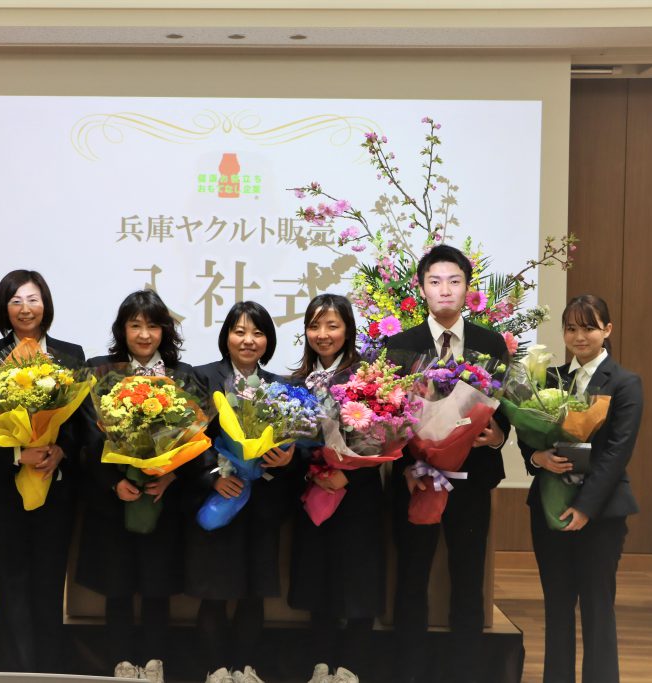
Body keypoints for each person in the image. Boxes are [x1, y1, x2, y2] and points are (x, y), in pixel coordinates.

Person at [384, 244, 510, 683]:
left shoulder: (490, 344)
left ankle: (465, 672)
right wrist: (406, 464)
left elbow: (505, 408)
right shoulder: (400, 345)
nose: (444, 290)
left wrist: (498, 436)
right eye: (435, 281)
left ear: (467, 288)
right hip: (417, 480)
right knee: (412, 576)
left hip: (471, 480)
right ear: (421, 288)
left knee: (468, 577)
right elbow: (389, 413)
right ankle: (409, 672)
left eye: (454, 281)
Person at [0, 270, 86, 672]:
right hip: (3, 488)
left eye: (33, 299)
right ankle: (15, 670)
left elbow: (80, 424)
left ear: (45, 305)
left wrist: (60, 450)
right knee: (8, 582)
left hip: (55, 487)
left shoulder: (70, 355)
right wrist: (19, 454)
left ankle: (48, 670)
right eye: (15, 301)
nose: (25, 308)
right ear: (4, 308)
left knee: (49, 582)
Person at [519, 295, 642, 683]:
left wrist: (586, 506)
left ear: (607, 330)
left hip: (600, 514)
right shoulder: (549, 379)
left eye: (589, 327)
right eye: (571, 328)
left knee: (597, 607)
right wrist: (537, 457)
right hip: (549, 508)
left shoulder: (625, 383)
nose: (579, 336)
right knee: (556, 606)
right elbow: (526, 435)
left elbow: (617, 453)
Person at [75, 289, 194, 682]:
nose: (144, 334)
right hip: (114, 500)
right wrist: (114, 483)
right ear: (122, 330)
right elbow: (88, 439)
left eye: (153, 326)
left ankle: (156, 661)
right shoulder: (100, 372)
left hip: (162, 498)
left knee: (157, 586)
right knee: (118, 585)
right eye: (135, 325)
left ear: (165, 331)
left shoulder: (183, 376)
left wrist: (171, 475)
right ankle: (121, 661)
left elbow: (198, 442)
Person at [185, 301, 296, 676]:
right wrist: (215, 474)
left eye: (258, 333)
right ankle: (216, 670)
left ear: (268, 340)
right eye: (240, 331)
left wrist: (286, 458)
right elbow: (187, 439)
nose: (249, 340)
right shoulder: (202, 378)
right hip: (220, 499)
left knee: (254, 592)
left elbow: (293, 442)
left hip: (262, 504)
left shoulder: (281, 387)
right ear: (226, 337)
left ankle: (244, 669)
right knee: (215, 592)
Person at [286, 293, 377, 680]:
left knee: (358, 582)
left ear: (348, 330)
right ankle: (320, 665)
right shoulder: (296, 384)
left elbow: (384, 438)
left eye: (332, 325)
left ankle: (350, 668)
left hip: (359, 496)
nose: (322, 334)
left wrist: (349, 474)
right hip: (316, 493)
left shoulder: (367, 379)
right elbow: (290, 440)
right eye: (314, 326)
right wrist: (312, 470)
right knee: (319, 581)